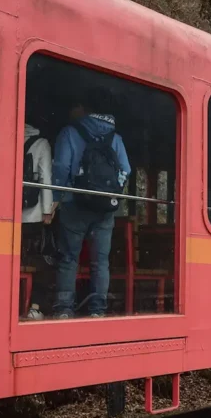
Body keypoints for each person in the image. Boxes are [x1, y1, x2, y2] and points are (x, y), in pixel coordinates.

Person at [50, 93, 131, 319]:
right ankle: (98, 309)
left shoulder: (69, 132)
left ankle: (64, 309)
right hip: (104, 209)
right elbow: (126, 169)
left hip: (74, 203)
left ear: (83, 107)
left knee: (69, 257)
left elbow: (61, 168)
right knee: (100, 261)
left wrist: (56, 198)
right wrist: (112, 193)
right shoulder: (116, 137)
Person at [20, 123, 53, 320]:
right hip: (33, 214)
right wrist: (47, 211)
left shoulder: (10, 138)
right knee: (43, 262)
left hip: (11, 213)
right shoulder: (41, 143)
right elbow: (45, 178)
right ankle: (35, 306)